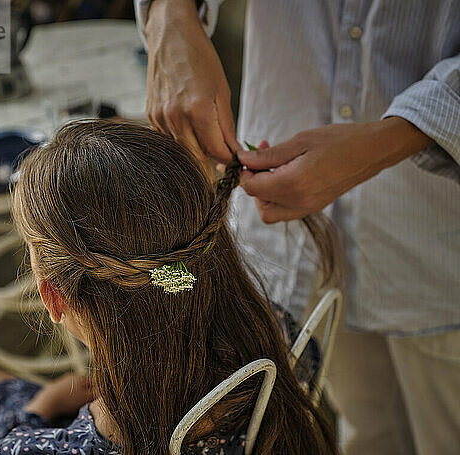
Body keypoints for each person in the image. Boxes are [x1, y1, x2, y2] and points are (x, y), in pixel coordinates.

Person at [0, 120, 338, 455]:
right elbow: (170, 275)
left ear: (52, 298)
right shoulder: (277, 338)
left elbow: (28, 442)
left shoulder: (32, 448)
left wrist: (40, 411)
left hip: (60, 431)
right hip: (104, 426)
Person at [136, 1, 460, 454]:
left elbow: (167, 278)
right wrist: (170, 15)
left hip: (437, 248)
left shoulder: (191, 286)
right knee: (368, 430)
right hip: (300, 265)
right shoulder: (213, 287)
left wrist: (396, 136)